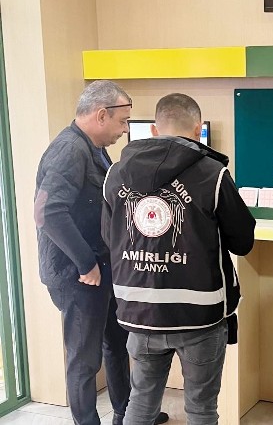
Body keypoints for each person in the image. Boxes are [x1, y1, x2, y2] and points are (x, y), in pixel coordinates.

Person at [102, 93, 255, 425]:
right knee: (201, 408)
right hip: (200, 316)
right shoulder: (212, 174)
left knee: (140, 402)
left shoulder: (116, 174)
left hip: (140, 312)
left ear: (154, 129)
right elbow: (243, 242)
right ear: (198, 129)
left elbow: (109, 238)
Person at [34, 80, 168, 425]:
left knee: (116, 343)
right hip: (78, 274)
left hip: (102, 268)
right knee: (84, 359)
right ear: (101, 115)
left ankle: (127, 413)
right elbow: (48, 213)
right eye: (123, 122)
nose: (125, 130)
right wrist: (85, 263)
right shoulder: (69, 150)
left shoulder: (92, 148)